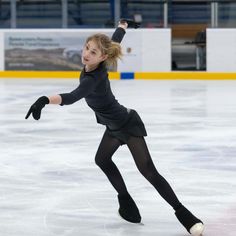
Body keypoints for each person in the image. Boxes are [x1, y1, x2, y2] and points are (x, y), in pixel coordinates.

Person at [25, 19, 204, 236]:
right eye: (87, 48)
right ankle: (126, 202)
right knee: (102, 159)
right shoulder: (99, 60)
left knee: (148, 171)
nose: (87, 54)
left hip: (127, 124)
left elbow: (72, 97)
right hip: (113, 126)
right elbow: (114, 41)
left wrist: (44, 99)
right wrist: (123, 26)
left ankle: (185, 215)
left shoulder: (93, 79)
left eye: (94, 52)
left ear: (103, 58)